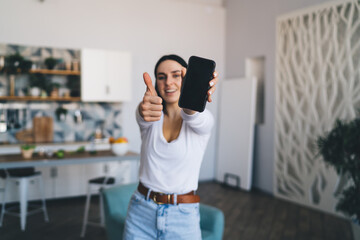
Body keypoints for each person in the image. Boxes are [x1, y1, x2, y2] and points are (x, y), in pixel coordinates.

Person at [123, 54, 219, 240]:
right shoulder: (150, 117)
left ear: (187, 77)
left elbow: (193, 115)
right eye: (161, 77)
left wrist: (194, 98)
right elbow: (143, 114)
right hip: (140, 212)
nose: (168, 82)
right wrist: (143, 108)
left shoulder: (204, 119)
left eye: (176, 75)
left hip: (183, 217)